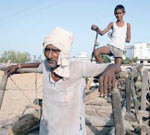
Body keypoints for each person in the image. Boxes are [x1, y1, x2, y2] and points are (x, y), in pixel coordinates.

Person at [6, 27, 121, 135]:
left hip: (72, 131)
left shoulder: (78, 67)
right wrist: (19, 65)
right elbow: (38, 64)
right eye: (47, 50)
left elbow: (115, 66)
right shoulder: (46, 66)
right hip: (47, 131)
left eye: (55, 51)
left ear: (64, 52)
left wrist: (109, 71)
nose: (50, 55)